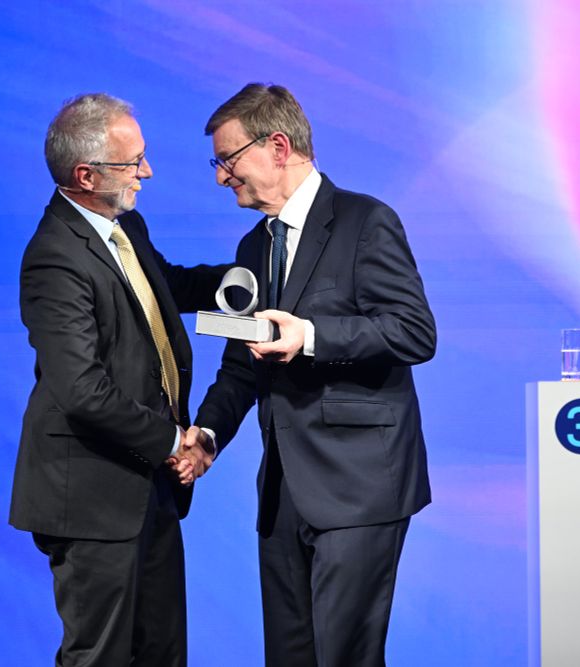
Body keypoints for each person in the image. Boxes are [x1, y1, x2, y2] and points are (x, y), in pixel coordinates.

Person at [185, 83, 437, 666]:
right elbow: (240, 365)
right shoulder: (254, 245)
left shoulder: (365, 221)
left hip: (359, 487)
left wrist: (312, 337)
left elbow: (413, 331)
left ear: (277, 145)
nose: (222, 178)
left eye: (228, 160)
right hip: (283, 494)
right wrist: (208, 436)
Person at [8, 93, 219, 667]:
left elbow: (162, 287)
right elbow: (80, 389)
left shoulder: (125, 226)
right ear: (85, 175)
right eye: (134, 163)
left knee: (162, 653)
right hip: (92, 496)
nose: (146, 172)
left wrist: (239, 280)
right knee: (100, 658)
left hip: (148, 484)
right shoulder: (54, 258)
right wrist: (175, 442)